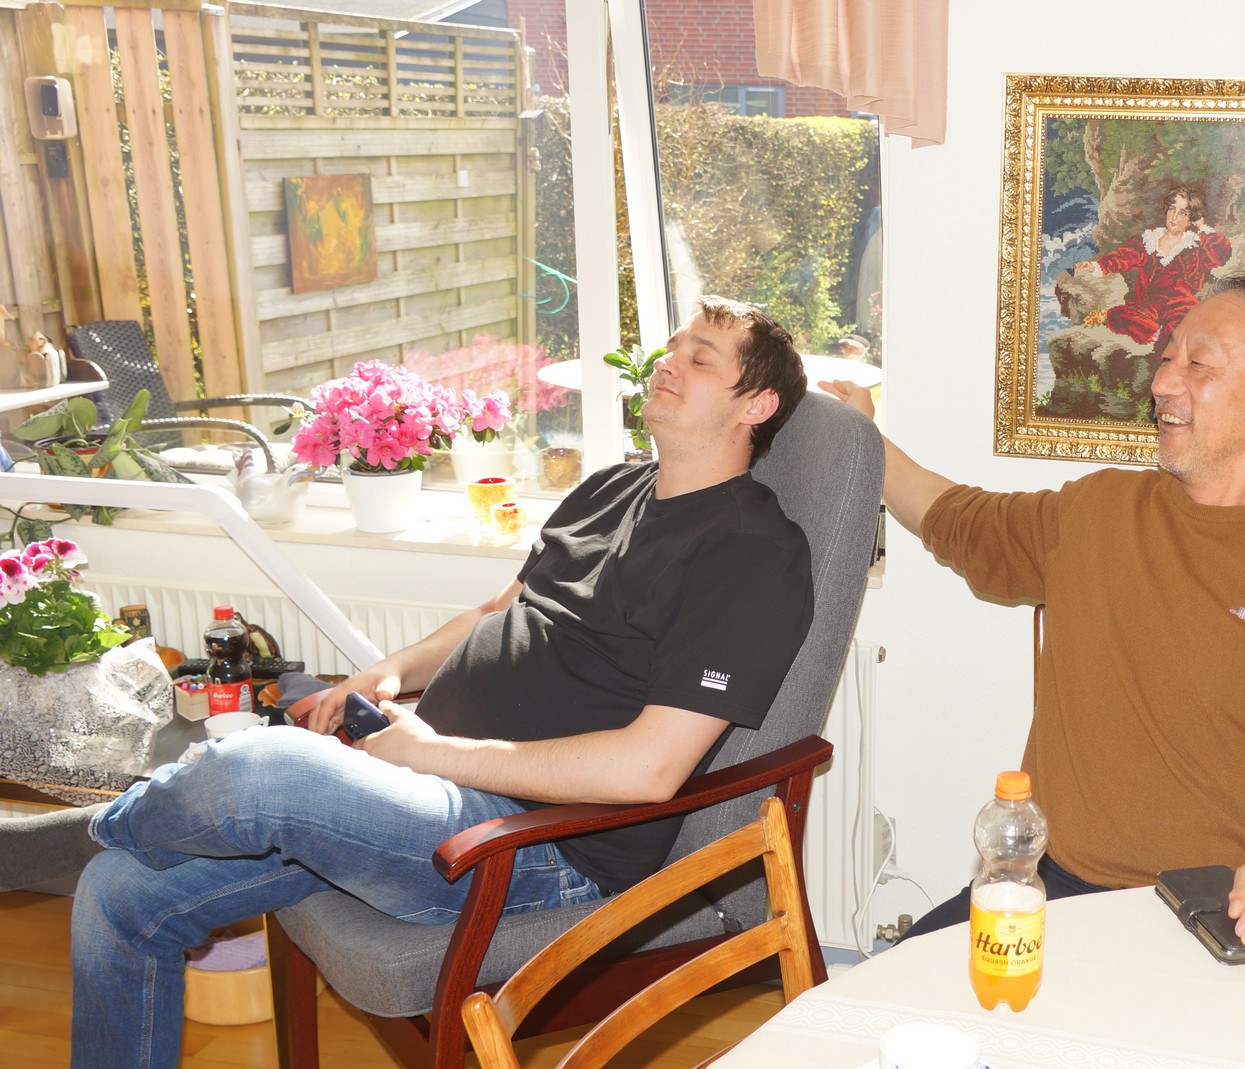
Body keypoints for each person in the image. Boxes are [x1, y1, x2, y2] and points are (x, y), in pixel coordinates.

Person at [0, 295, 814, 1069]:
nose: (668, 361)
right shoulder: (612, 487)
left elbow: (650, 768)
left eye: (701, 358)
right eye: (673, 345)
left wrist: (430, 753)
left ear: (756, 404)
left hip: (533, 846)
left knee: (260, 767)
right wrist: (385, 672)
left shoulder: (749, 555)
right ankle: (103, 843)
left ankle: (70, 835)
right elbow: (498, 611)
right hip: (426, 789)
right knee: (118, 892)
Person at [822, 277, 1245, 969]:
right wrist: (865, 438)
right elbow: (964, 522)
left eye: (1199, 363)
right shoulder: (1100, 509)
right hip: (1049, 890)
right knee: (885, 995)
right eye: (1167, 358)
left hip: (1214, 917)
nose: (1163, 382)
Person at [1074, 183, 1234, 350]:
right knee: (1116, 315)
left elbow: (1221, 253)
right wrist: (1096, 266)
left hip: (1180, 304)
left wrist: (1201, 226)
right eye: (1172, 209)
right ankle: (1154, 333)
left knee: (1180, 327)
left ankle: (1165, 339)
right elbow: (1124, 256)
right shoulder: (1149, 240)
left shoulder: (1195, 246)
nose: (1174, 217)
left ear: (1190, 220)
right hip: (1148, 305)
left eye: (1183, 212)